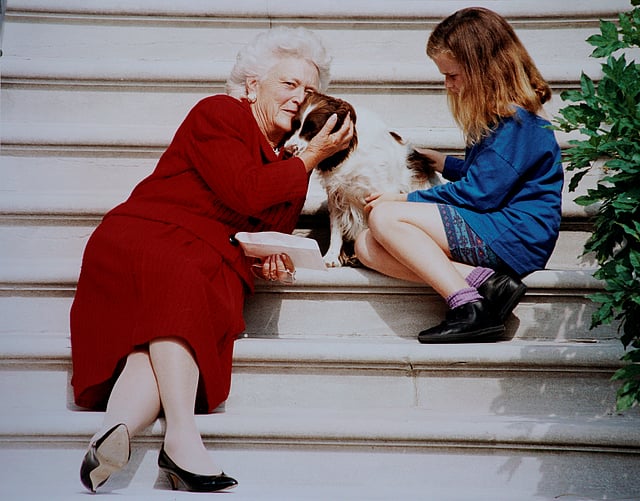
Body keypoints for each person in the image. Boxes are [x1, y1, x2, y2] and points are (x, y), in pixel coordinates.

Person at [71, 26, 353, 493]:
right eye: (288, 85)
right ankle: (182, 437)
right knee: (183, 284)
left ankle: (114, 429)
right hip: (151, 236)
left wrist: (271, 259)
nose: (300, 99)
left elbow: (263, 235)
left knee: (151, 347)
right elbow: (243, 190)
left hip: (202, 259)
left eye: (309, 91)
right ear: (251, 86)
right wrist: (313, 157)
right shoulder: (220, 113)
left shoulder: (287, 160)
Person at [354, 7, 563, 344]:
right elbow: (494, 176)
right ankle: (487, 283)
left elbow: (481, 193)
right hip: (498, 228)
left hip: (516, 235)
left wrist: (404, 199)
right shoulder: (502, 122)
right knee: (366, 245)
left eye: (453, 75)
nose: (448, 86)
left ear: (485, 70)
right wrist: (445, 164)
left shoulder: (518, 123)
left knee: (386, 216)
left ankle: (468, 308)